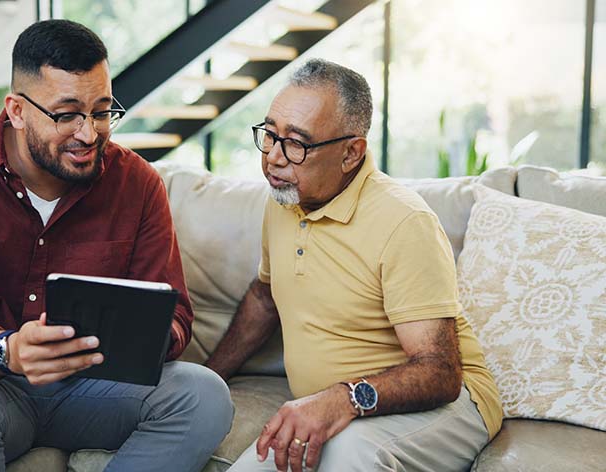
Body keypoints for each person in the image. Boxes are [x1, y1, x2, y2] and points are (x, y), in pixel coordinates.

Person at [0, 19, 233, 472]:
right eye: (66, 113)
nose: (89, 133)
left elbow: (175, 317)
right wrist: (7, 349)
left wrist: (143, 335)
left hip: (94, 387)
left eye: (102, 111)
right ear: (16, 111)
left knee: (204, 396)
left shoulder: (139, 184)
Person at [205, 59, 502, 472]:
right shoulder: (285, 200)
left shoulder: (403, 222)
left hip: (451, 405)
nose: (273, 157)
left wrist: (341, 398)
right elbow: (265, 297)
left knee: (349, 456)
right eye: (270, 134)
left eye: (296, 143)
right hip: (330, 405)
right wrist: (209, 377)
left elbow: (441, 373)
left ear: (350, 153)